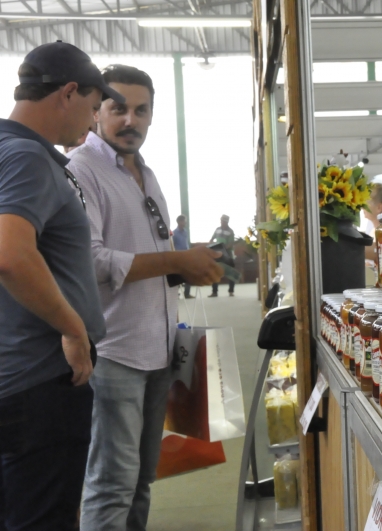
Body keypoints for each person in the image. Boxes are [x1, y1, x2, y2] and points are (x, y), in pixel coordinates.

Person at [67, 64, 224, 531]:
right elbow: (92, 261)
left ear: (152, 116)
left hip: (158, 349)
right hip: (114, 352)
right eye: (118, 109)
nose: (129, 120)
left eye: (141, 110)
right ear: (98, 112)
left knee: (141, 479)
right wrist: (178, 261)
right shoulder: (82, 170)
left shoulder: (146, 174)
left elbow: (148, 253)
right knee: (112, 483)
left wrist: (182, 267)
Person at [0, 42, 122, 530]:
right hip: (40, 383)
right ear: (68, 93)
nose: (92, 123)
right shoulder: (28, 157)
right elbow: (10, 254)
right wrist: (73, 329)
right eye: (94, 109)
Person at [210, 214, 236, 297]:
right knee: (215, 272)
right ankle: (214, 292)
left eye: (223, 221)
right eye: (221, 220)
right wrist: (213, 246)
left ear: (226, 221)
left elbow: (231, 244)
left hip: (228, 254)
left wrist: (223, 248)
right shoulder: (217, 229)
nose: (221, 222)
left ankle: (231, 291)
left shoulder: (230, 231)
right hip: (217, 254)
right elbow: (211, 239)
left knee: (230, 273)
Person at [172, 214, 193, 299]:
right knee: (177, 276)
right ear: (179, 222)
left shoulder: (185, 232)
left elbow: (186, 243)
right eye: (184, 221)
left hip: (187, 255)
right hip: (178, 257)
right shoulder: (174, 233)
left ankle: (187, 293)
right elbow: (172, 245)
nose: (185, 222)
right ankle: (175, 294)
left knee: (189, 274)